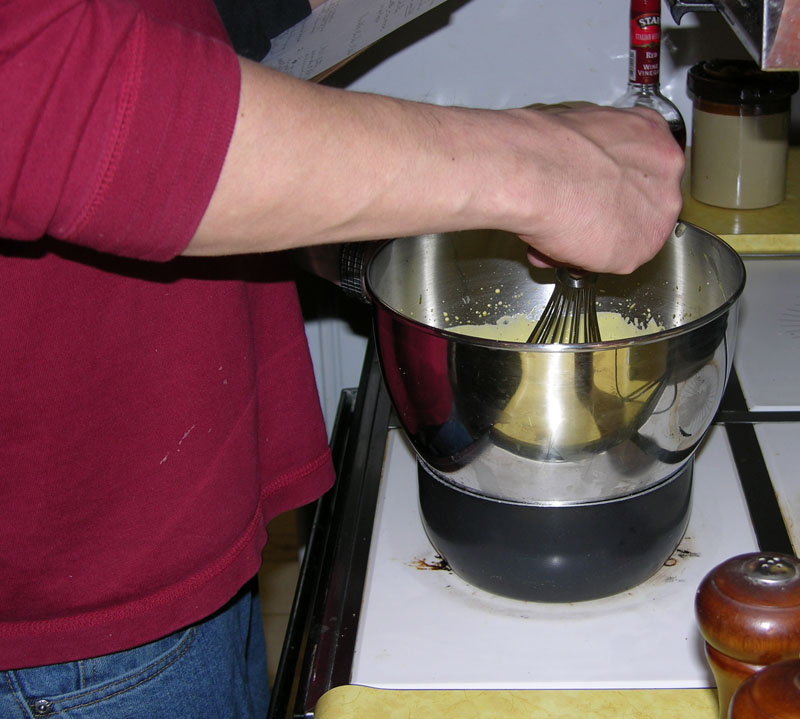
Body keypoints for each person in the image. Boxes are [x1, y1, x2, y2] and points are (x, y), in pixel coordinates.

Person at [0, 0, 684, 716]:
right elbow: (47, 79)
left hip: (177, 519)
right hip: (72, 600)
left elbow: (172, 26)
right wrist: (534, 162)